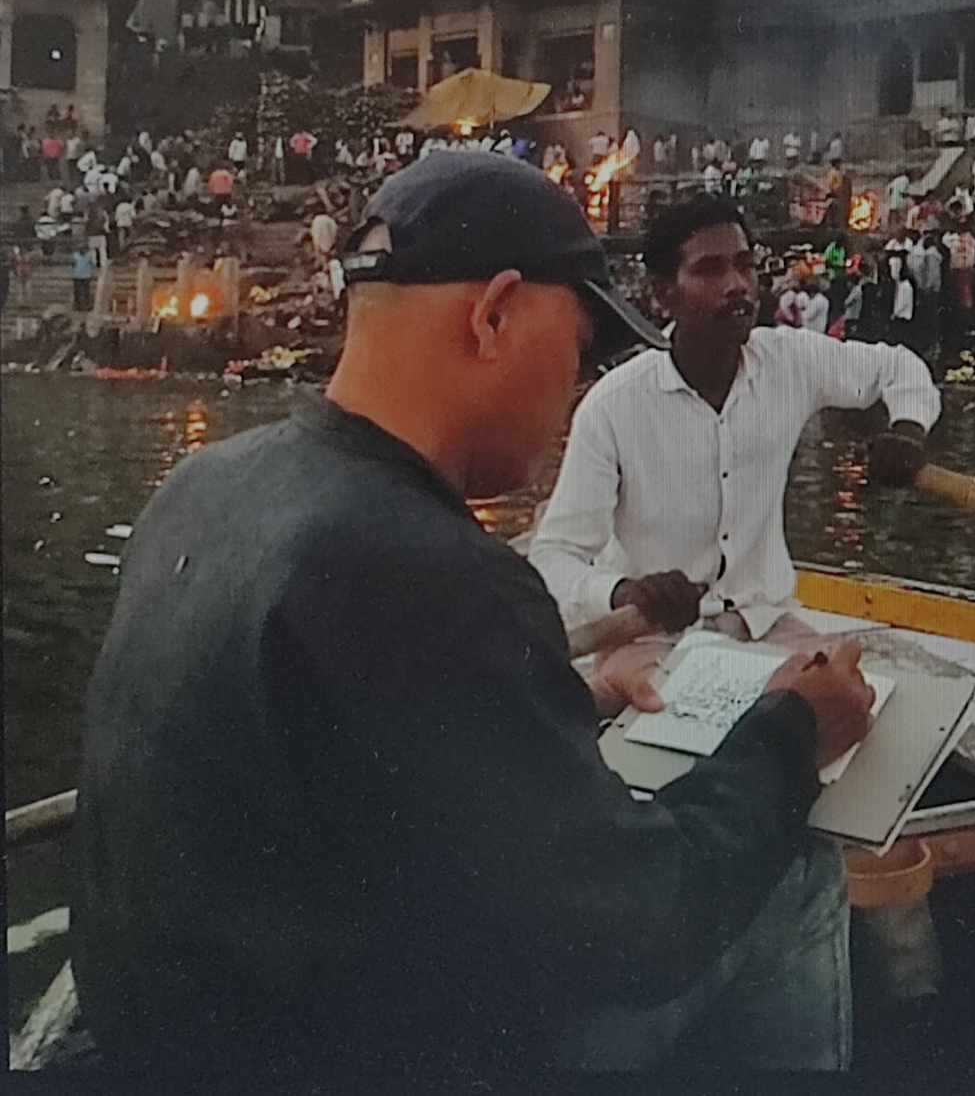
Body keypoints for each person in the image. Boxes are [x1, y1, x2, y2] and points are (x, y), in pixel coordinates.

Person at [74, 153, 874, 1080]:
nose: (574, 387)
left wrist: (559, 694)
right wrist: (793, 729)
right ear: (494, 316)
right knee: (799, 873)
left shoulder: (206, 484)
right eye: (576, 349)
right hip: (342, 1059)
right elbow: (647, 927)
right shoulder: (429, 573)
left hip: (176, 1038)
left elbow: (357, 744)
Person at [531, 196, 936, 652]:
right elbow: (554, 556)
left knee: (850, 700)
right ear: (663, 294)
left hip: (763, 623)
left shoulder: (790, 361)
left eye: (745, 266)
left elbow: (898, 368)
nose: (738, 286)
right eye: (710, 270)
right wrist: (623, 591)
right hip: (649, 638)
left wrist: (909, 429)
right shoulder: (613, 406)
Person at [70, 241, 97, 311]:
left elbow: (92, 265)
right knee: (77, 292)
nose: (83, 250)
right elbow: (73, 264)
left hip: (86, 276)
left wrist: (92, 273)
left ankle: (87, 305)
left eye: (84, 249)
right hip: (77, 276)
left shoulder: (89, 255)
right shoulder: (75, 255)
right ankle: (77, 305)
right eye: (81, 249)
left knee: (86, 291)